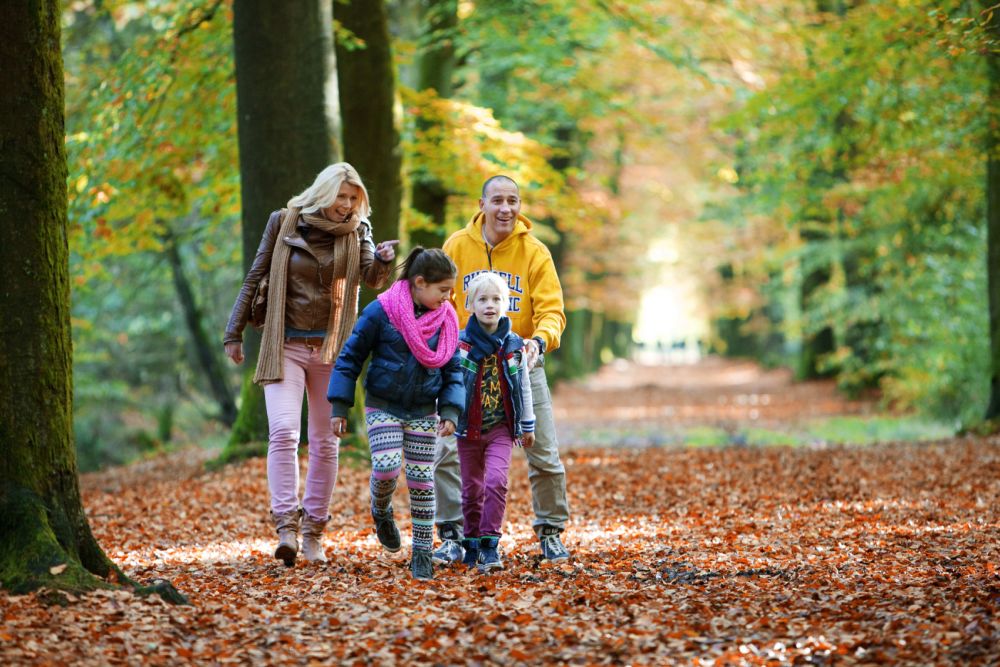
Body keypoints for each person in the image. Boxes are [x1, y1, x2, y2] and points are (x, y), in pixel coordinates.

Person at [224, 162, 397, 567]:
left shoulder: (359, 231)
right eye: (342, 196)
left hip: (331, 350)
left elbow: (372, 278)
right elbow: (256, 275)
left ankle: (313, 530)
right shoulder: (283, 222)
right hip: (284, 343)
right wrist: (233, 333)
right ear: (324, 193)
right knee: (283, 432)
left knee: (325, 441)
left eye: (355, 199)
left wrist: (385, 260)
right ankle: (285, 525)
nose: (348, 205)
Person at [433, 175, 571, 565]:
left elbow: (552, 310)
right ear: (482, 204)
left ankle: (551, 532)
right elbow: (440, 303)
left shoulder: (535, 252)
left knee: (543, 451)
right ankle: (452, 535)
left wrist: (538, 342)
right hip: (463, 366)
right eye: (497, 200)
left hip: (519, 364)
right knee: (447, 452)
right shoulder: (456, 246)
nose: (505, 208)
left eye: (512, 200)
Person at [327, 247, 464, 580]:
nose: (448, 298)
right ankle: (381, 509)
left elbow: (453, 369)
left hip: (422, 409)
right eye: (443, 290)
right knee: (386, 469)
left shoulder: (446, 319)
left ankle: (421, 553)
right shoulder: (381, 311)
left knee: (421, 480)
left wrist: (449, 410)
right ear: (419, 282)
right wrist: (339, 405)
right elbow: (350, 358)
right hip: (383, 404)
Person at [454, 272, 535, 572]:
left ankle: (490, 545)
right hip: (468, 427)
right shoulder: (460, 343)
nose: (490, 305)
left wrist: (528, 424)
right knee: (471, 488)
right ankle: (471, 543)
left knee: (496, 481)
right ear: (470, 305)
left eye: (496, 299)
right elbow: (449, 382)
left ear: (506, 304)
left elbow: (523, 385)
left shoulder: (514, 345)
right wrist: (446, 415)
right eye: (483, 299)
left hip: (501, 427)